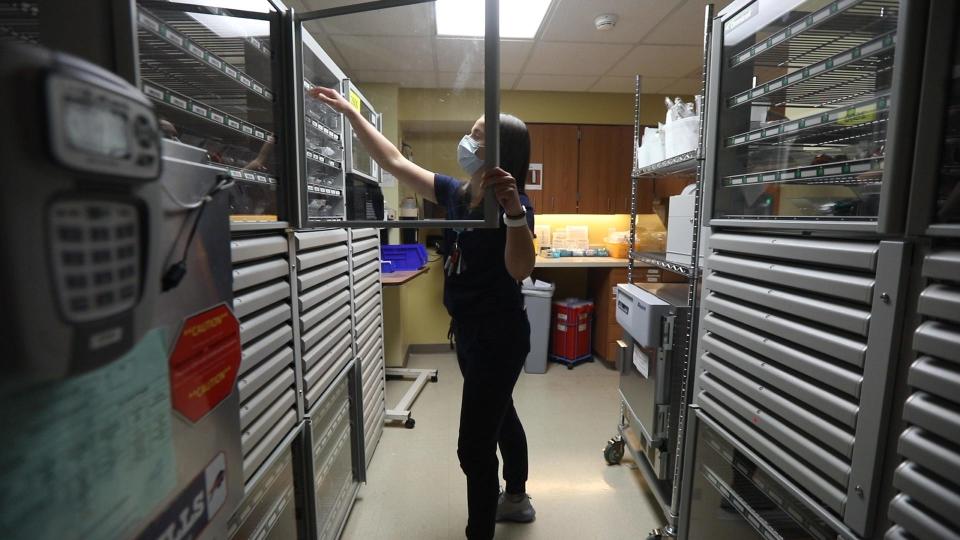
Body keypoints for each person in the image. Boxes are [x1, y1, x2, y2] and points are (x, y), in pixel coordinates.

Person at [309, 87, 537, 540]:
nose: (466, 145)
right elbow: (394, 161)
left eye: (477, 138)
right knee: (500, 410)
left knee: (473, 448)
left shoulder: (515, 206)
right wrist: (351, 115)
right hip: (469, 332)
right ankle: (516, 497)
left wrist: (513, 213)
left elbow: (520, 269)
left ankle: (484, 528)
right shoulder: (456, 192)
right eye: (469, 135)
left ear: (500, 153)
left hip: (500, 335)